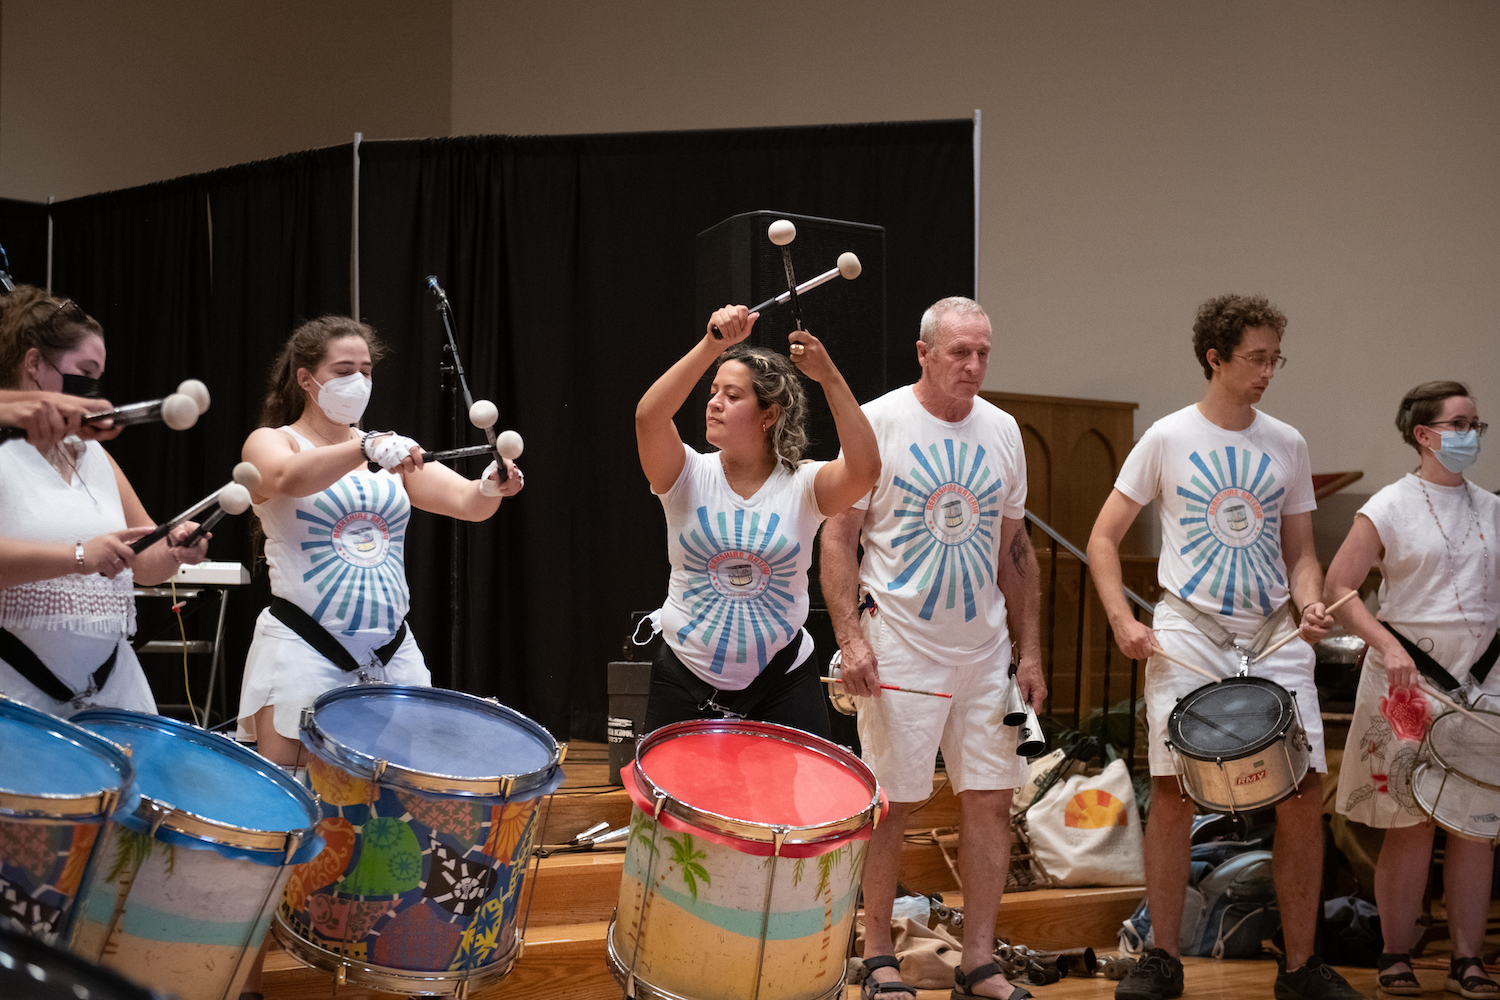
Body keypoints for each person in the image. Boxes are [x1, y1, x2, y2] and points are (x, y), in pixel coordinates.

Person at [1087, 293, 1362, 1000]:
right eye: (1256, 358)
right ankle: (1162, 958)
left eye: (1276, 358)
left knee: (1303, 792)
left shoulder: (1288, 443)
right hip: (1189, 633)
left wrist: (1307, 601)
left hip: (1272, 633)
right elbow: (1102, 540)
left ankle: (1300, 966)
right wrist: (1123, 619)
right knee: (1175, 792)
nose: (1269, 371)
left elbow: (1301, 552)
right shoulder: (1168, 437)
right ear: (1216, 358)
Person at [821, 296, 1045, 1000]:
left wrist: (1030, 652)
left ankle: (978, 959)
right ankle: (878, 949)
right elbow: (837, 537)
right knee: (894, 801)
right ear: (924, 353)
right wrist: (851, 639)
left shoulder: (1004, 431)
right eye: (960, 353)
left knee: (990, 799)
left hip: (983, 651)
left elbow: (1016, 550)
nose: (974, 366)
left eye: (983, 353)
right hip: (900, 648)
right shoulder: (880, 422)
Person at [235, 315, 522, 768]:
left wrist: (490, 486)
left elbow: (468, 503)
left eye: (366, 370)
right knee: (307, 809)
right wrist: (364, 447)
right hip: (303, 649)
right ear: (306, 379)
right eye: (343, 370)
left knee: (397, 815)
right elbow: (283, 477)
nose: (359, 381)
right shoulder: (273, 441)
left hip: (392, 653)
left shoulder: (384, 449)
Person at [1326, 381, 1498, 998]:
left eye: (1476, 424)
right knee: (1410, 820)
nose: (1471, 435)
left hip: (1483, 686)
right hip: (1407, 683)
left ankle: (1467, 960)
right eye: (1459, 424)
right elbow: (1339, 590)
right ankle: (1396, 954)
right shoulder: (1389, 506)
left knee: (1475, 823)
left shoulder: (1493, 507)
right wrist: (1388, 645)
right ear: (1424, 435)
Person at [635, 304, 878, 738]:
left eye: (732, 396)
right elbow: (649, 417)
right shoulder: (684, 473)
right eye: (713, 392)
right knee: (665, 806)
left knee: (798, 807)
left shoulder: (803, 484)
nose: (714, 403)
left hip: (782, 682)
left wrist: (829, 377)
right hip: (683, 677)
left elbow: (864, 470)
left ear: (768, 415)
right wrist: (714, 345)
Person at [0, 286, 208, 717]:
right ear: (35, 364)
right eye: (84, 372)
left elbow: (146, 565)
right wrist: (81, 555)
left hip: (114, 690)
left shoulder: (93, 454)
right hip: (15, 689)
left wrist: (174, 547)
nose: (91, 390)